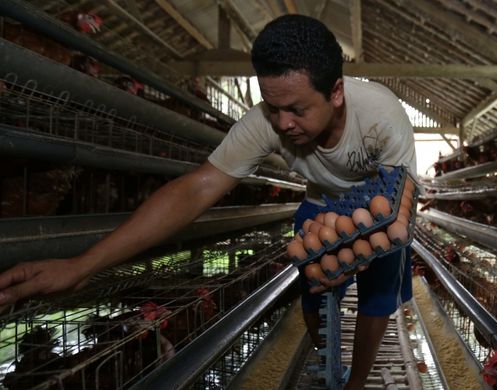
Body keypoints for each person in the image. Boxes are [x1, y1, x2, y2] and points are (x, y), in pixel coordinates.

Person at [0, 14, 415, 390]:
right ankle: (330, 359)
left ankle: (357, 382)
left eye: (297, 109)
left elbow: (399, 205)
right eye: (273, 108)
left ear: (336, 92)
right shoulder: (267, 122)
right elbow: (197, 188)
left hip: (379, 200)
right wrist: (82, 266)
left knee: (378, 290)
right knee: (313, 291)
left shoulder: (381, 117)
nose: (284, 124)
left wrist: (369, 243)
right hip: (320, 201)